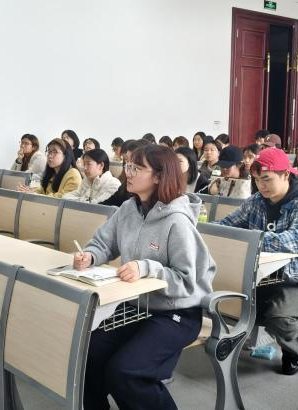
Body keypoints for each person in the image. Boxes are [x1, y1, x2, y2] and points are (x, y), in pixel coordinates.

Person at [73, 144, 215, 409]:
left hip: (176, 312)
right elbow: (104, 243)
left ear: (159, 176)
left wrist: (147, 268)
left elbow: (187, 281)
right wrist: (90, 256)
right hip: (136, 305)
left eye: (136, 168)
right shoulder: (129, 208)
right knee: (86, 355)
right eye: (128, 166)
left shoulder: (177, 221)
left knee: (126, 372)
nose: (128, 173)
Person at [216, 147, 298, 375]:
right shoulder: (257, 200)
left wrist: (253, 239)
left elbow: (297, 240)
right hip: (262, 275)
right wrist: (204, 231)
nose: (261, 186)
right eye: (257, 180)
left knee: (278, 316)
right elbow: (227, 225)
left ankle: (294, 348)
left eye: (266, 179)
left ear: (286, 174)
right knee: (231, 302)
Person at [100, 139, 150, 207]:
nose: (127, 173)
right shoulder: (125, 186)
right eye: (126, 162)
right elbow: (109, 202)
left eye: (136, 167)